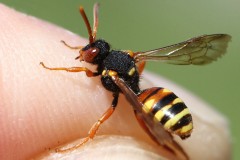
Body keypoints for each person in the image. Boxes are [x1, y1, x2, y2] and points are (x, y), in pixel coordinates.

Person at [0, 3, 231, 160]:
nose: (84, 56)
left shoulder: (111, 74)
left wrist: (55, 68)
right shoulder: (130, 57)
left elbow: (90, 76)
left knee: (132, 116)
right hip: (153, 95)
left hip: (151, 105)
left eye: (88, 54)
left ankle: (176, 151)